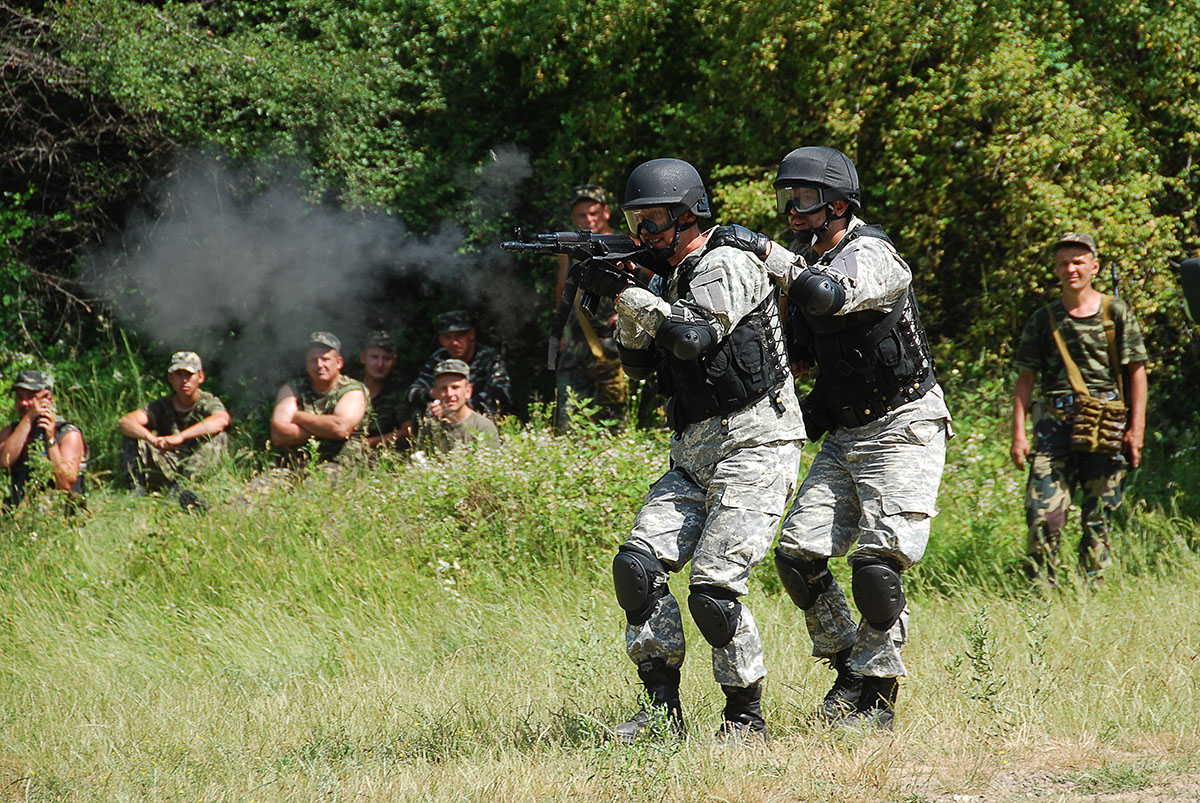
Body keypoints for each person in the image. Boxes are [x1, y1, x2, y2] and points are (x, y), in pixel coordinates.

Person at [580, 158, 806, 742]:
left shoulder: (726, 264)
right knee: (637, 569)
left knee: (712, 589)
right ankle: (662, 714)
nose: (643, 236)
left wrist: (630, 291)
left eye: (653, 223)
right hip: (694, 452)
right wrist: (618, 293)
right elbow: (634, 362)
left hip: (757, 444)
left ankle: (745, 717)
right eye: (636, 224)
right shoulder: (667, 278)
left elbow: (688, 338)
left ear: (687, 216)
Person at [768, 146, 951, 731]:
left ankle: (878, 695)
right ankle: (850, 659)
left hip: (904, 426)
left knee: (876, 566)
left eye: (803, 198)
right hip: (847, 431)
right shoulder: (801, 261)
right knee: (798, 557)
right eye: (787, 198)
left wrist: (769, 258)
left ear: (838, 204)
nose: (792, 210)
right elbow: (794, 355)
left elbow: (830, 295)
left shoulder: (872, 254)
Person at [1011, 232, 1148, 585]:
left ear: (1094, 267)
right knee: (1042, 514)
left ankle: (1094, 592)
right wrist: (1019, 435)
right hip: (1053, 428)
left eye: (1078, 262)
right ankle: (1039, 594)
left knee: (1099, 514)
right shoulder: (1043, 320)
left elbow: (1137, 373)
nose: (1070, 269)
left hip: (1106, 425)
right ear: (1056, 270)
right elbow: (1025, 379)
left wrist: (1137, 430)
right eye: (1063, 263)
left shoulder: (1114, 312)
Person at [553, 185, 628, 430]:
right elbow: (563, 287)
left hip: (611, 342)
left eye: (593, 213)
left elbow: (648, 282)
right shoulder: (570, 246)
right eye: (581, 215)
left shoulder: (624, 243)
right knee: (569, 419)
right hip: (577, 340)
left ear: (606, 212)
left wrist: (625, 314)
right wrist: (560, 329)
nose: (588, 220)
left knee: (611, 421)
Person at [118, 351, 231, 499]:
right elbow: (126, 422)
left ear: (200, 377)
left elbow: (222, 419)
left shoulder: (207, 402)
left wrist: (180, 437)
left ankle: (185, 488)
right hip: (169, 460)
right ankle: (136, 487)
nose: (184, 380)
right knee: (133, 436)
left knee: (218, 437)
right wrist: (151, 438)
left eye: (188, 375)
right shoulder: (162, 405)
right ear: (170, 378)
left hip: (199, 462)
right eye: (178, 375)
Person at [270, 331, 370, 470]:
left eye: (325, 359)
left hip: (338, 465)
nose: (319, 365)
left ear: (339, 362)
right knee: (255, 490)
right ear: (306, 364)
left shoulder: (353, 390)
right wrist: (325, 431)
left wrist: (299, 417)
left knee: (312, 489)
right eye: (313, 360)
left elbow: (340, 429)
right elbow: (279, 435)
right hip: (293, 466)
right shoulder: (292, 389)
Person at [405, 311, 513, 421]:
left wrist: (458, 408)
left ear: (471, 334)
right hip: (446, 424)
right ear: (440, 340)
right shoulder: (438, 358)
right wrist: (433, 393)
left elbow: (501, 392)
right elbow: (411, 393)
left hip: (483, 421)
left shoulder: (489, 357)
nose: (454, 343)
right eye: (448, 337)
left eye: (459, 336)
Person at [0, 370, 87, 508]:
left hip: (60, 515)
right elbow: (5, 461)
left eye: (30, 397)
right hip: (20, 512)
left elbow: (65, 483)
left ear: (47, 399)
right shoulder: (12, 431)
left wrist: (50, 440)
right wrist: (29, 419)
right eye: (19, 397)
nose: (24, 403)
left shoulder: (68, 434)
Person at [415, 359, 498, 454]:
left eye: (455, 387)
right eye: (443, 388)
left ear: (468, 391)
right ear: (435, 393)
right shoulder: (432, 428)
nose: (449, 394)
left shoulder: (483, 427)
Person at [353, 330, 409, 450]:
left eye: (386, 358)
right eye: (374, 357)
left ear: (394, 360)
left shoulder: (399, 389)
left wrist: (370, 443)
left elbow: (408, 431)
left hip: (383, 452)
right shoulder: (349, 385)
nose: (380, 364)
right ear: (363, 358)